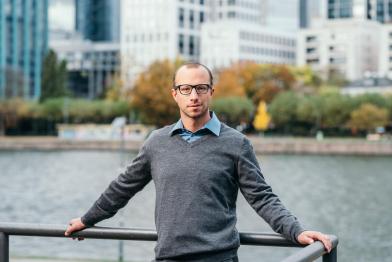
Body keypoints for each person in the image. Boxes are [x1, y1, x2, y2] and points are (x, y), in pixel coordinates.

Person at [65, 62, 332, 262]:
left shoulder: (236, 143)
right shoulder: (156, 143)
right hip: (168, 257)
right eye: (186, 88)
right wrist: (88, 219)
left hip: (219, 258)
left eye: (201, 88)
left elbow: (262, 197)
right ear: (175, 94)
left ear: (211, 92)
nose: (194, 95)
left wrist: (296, 231)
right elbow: (123, 188)